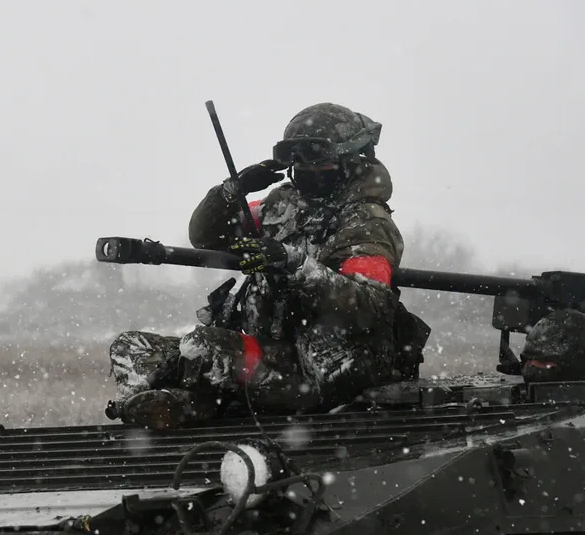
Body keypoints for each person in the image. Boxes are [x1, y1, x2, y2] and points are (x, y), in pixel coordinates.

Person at [107, 102, 422, 428]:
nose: (306, 170)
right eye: (297, 161)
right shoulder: (283, 206)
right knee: (131, 349)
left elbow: (367, 306)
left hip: (328, 366)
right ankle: (178, 404)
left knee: (204, 348)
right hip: (273, 352)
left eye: (318, 160)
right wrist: (231, 192)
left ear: (351, 162)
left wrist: (296, 265)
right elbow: (207, 237)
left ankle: (193, 404)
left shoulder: (366, 223)